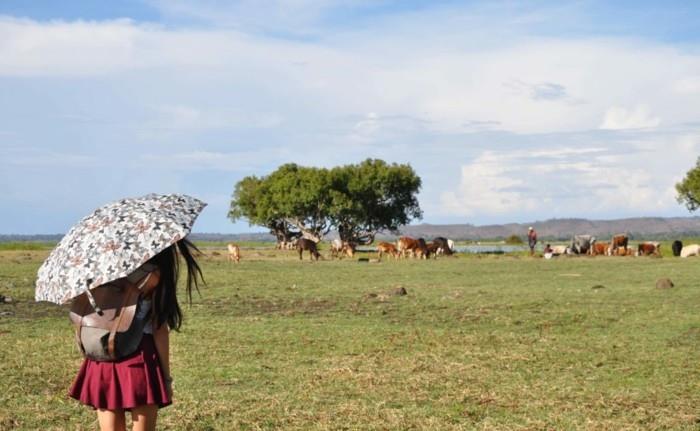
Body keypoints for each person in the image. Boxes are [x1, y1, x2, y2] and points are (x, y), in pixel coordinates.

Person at [69, 239, 203, 431]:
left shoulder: (101, 268)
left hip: (102, 357)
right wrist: (166, 379)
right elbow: (159, 330)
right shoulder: (154, 275)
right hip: (140, 359)